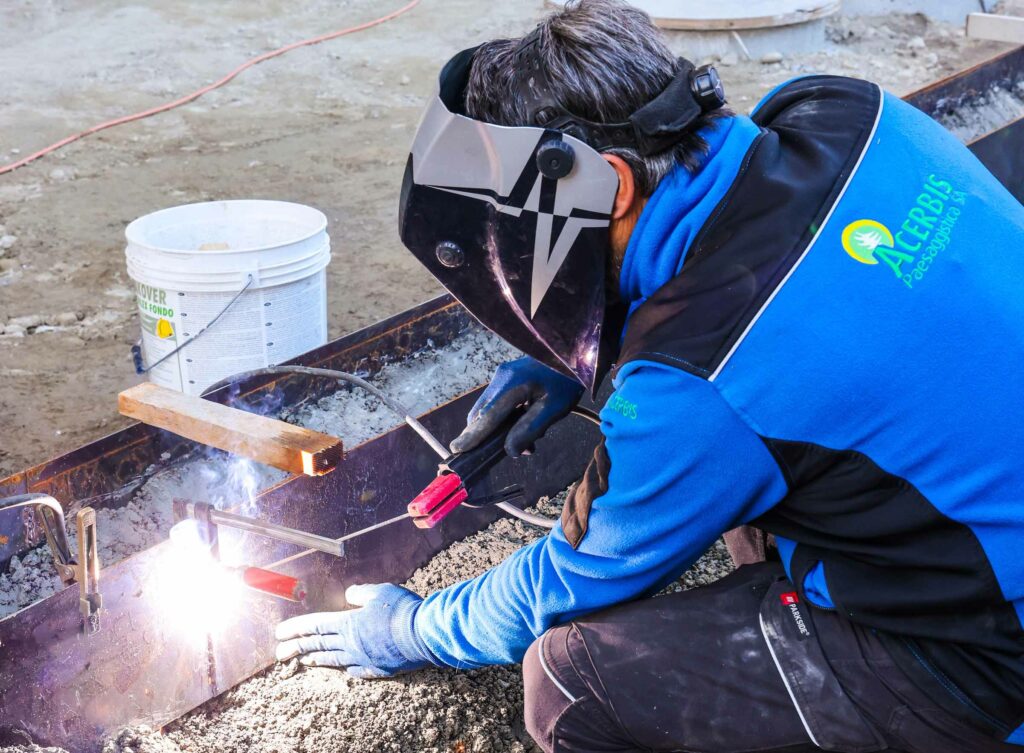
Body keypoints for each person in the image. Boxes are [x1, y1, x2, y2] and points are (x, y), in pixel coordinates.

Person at [274, 1, 1024, 750]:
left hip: (991, 658)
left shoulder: (702, 381)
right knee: (767, 456)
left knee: (569, 682)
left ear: (608, 184)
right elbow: (770, 287)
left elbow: (567, 578)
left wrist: (409, 628)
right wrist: (584, 352)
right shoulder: (839, 109)